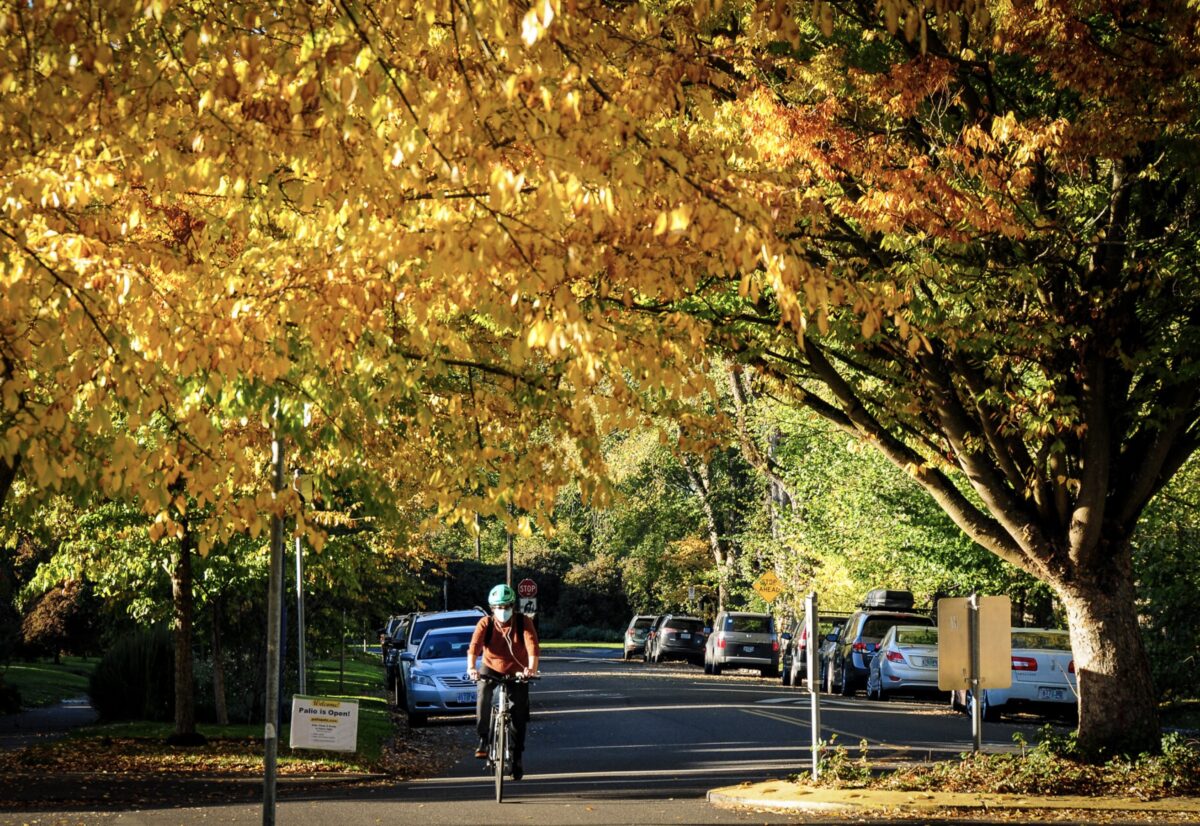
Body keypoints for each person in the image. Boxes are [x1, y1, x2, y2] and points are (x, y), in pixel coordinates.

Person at [467, 583, 540, 780]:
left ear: (512, 606)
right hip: (491, 666)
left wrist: (531, 669)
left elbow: (532, 646)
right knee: (483, 693)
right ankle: (483, 739)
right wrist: (472, 668)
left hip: (518, 671)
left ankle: (516, 757)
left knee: (519, 712)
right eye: (498, 607)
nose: (502, 611)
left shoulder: (523, 622)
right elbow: (474, 647)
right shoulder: (486, 623)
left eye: (506, 606)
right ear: (492, 609)